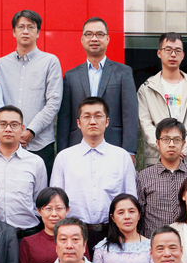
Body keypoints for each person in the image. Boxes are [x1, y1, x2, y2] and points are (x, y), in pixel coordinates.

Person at [51, 97, 135, 240]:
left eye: (98, 116)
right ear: (79, 123)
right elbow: (56, 202)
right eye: (87, 117)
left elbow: (132, 198)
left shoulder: (122, 156)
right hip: (75, 235)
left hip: (113, 233)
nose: (93, 121)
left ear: (107, 121)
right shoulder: (64, 158)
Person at [0, 10, 64, 166]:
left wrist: (31, 131)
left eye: (31, 27)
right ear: (14, 32)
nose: (25, 31)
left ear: (38, 32)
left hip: (40, 144)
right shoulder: (0, 65)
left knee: (42, 190)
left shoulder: (50, 62)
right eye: (21, 27)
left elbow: (53, 103)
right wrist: (10, 132)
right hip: (7, 144)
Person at [57, 18, 138, 153]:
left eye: (99, 34)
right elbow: (64, 119)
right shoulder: (71, 76)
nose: (94, 38)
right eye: (89, 34)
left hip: (114, 146)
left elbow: (130, 115)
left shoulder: (123, 72)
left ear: (107, 39)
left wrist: (129, 151)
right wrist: (61, 153)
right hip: (77, 147)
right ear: (82, 39)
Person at [0, 105, 48, 236]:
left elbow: (40, 200)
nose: (8, 129)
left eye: (14, 124)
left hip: (27, 234)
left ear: (22, 128)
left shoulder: (36, 163)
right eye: (3, 124)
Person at [137, 33, 187, 163]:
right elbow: (145, 124)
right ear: (159, 53)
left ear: (183, 55)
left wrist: (183, 149)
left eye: (177, 50)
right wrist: (165, 147)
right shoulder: (146, 89)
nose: (173, 54)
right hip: (157, 160)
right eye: (168, 50)